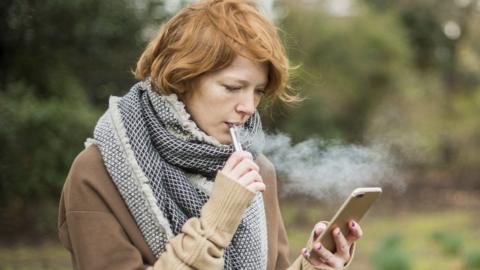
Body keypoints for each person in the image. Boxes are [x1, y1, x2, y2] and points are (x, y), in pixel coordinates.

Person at [57, 0, 362, 269]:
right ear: (181, 79)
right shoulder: (98, 171)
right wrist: (216, 222)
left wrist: (311, 267)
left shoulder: (258, 171)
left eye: (257, 91)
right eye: (232, 87)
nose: (248, 107)